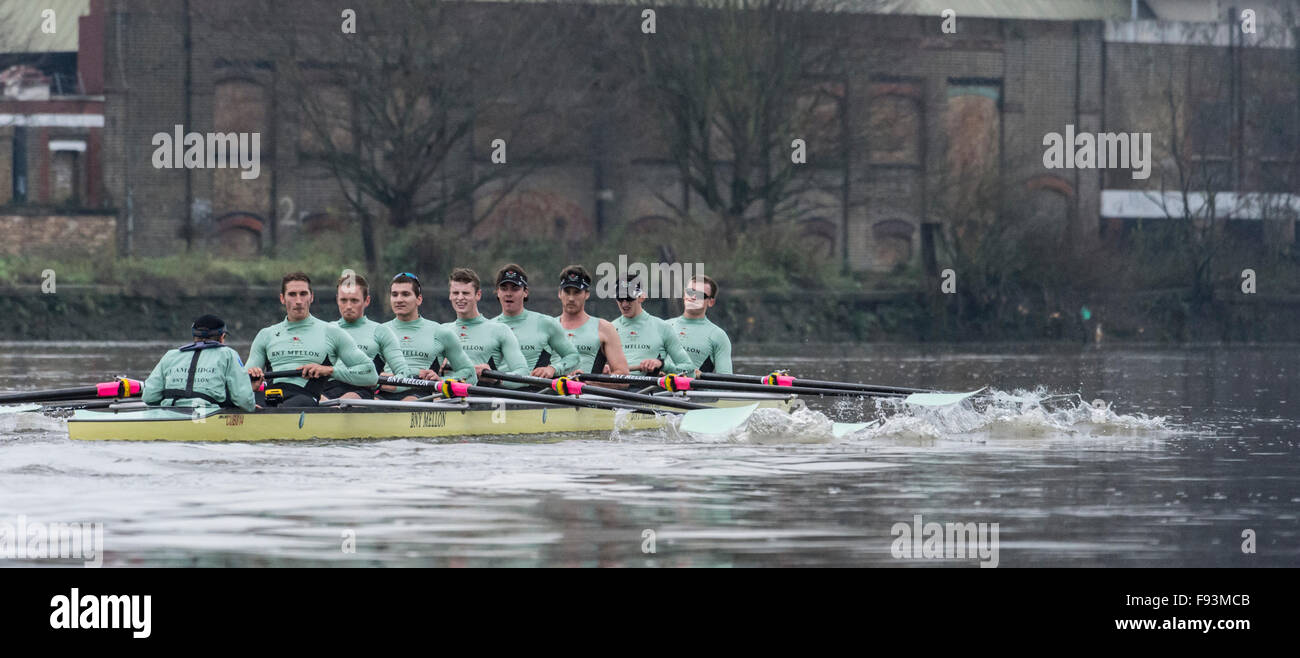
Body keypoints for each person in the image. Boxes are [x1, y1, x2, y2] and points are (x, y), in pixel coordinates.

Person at [245, 272, 378, 407]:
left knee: (296, 404)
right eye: (292, 294)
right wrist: (250, 383)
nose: (298, 301)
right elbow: (242, 382)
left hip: (305, 399)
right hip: (270, 398)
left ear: (312, 297)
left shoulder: (332, 332)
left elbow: (370, 374)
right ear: (282, 299)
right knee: (238, 402)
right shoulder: (266, 334)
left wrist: (329, 370)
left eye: (303, 294)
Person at [382, 272, 477, 400]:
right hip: (383, 392)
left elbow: (470, 374)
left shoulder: (440, 332)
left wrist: (442, 380)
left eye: (405, 294)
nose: (399, 299)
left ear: (419, 299)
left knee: (409, 402)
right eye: (394, 295)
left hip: (420, 394)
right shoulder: (379, 331)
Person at [142, 314, 256, 411]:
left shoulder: (171, 355)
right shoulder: (228, 354)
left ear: (194, 336)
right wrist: (251, 404)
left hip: (168, 413)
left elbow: (149, 397)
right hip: (206, 416)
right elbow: (244, 400)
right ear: (222, 337)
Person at [326, 272, 411, 400]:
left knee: (349, 399)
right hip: (325, 390)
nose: (348, 306)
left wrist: (382, 382)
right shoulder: (326, 329)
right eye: (343, 300)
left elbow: (406, 376)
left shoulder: (381, 332)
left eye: (354, 300)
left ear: (367, 301)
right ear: (337, 299)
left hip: (359, 391)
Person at [444, 267, 529, 387]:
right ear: (450, 296)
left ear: (478, 295)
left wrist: (496, 379)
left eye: (466, 293)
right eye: (455, 293)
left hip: (482, 400)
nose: (460, 298)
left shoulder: (500, 330)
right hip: (444, 400)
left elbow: (523, 374)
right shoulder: (441, 331)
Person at [491, 263, 579, 379]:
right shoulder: (488, 326)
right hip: (493, 394)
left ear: (525, 292)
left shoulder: (546, 323)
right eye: (504, 288)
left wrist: (553, 369)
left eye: (515, 288)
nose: (508, 293)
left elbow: (573, 357)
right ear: (498, 292)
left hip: (535, 394)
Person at [554, 265, 629, 379]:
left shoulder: (604, 328)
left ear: (587, 294)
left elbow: (623, 375)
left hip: (587, 395)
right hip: (549, 394)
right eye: (567, 292)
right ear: (560, 293)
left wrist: (588, 381)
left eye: (577, 292)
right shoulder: (547, 326)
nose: (571, 298)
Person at [609, 277, 693, 375]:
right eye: (620, 298)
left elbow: (690, 371)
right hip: (614, 387)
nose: (624, 304)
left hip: (647, 388)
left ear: (642, 297)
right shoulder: (608, 329)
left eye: (629, 298)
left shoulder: (663, 328)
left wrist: (663, 365)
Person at [667, 274, 732, 374]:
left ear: (711, 302)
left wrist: (700, 377)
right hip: (656, 388)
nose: (693, 297)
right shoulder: (663, 326)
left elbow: (726, 382)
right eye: (690, 292)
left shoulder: (718, 336)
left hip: (693, 388)